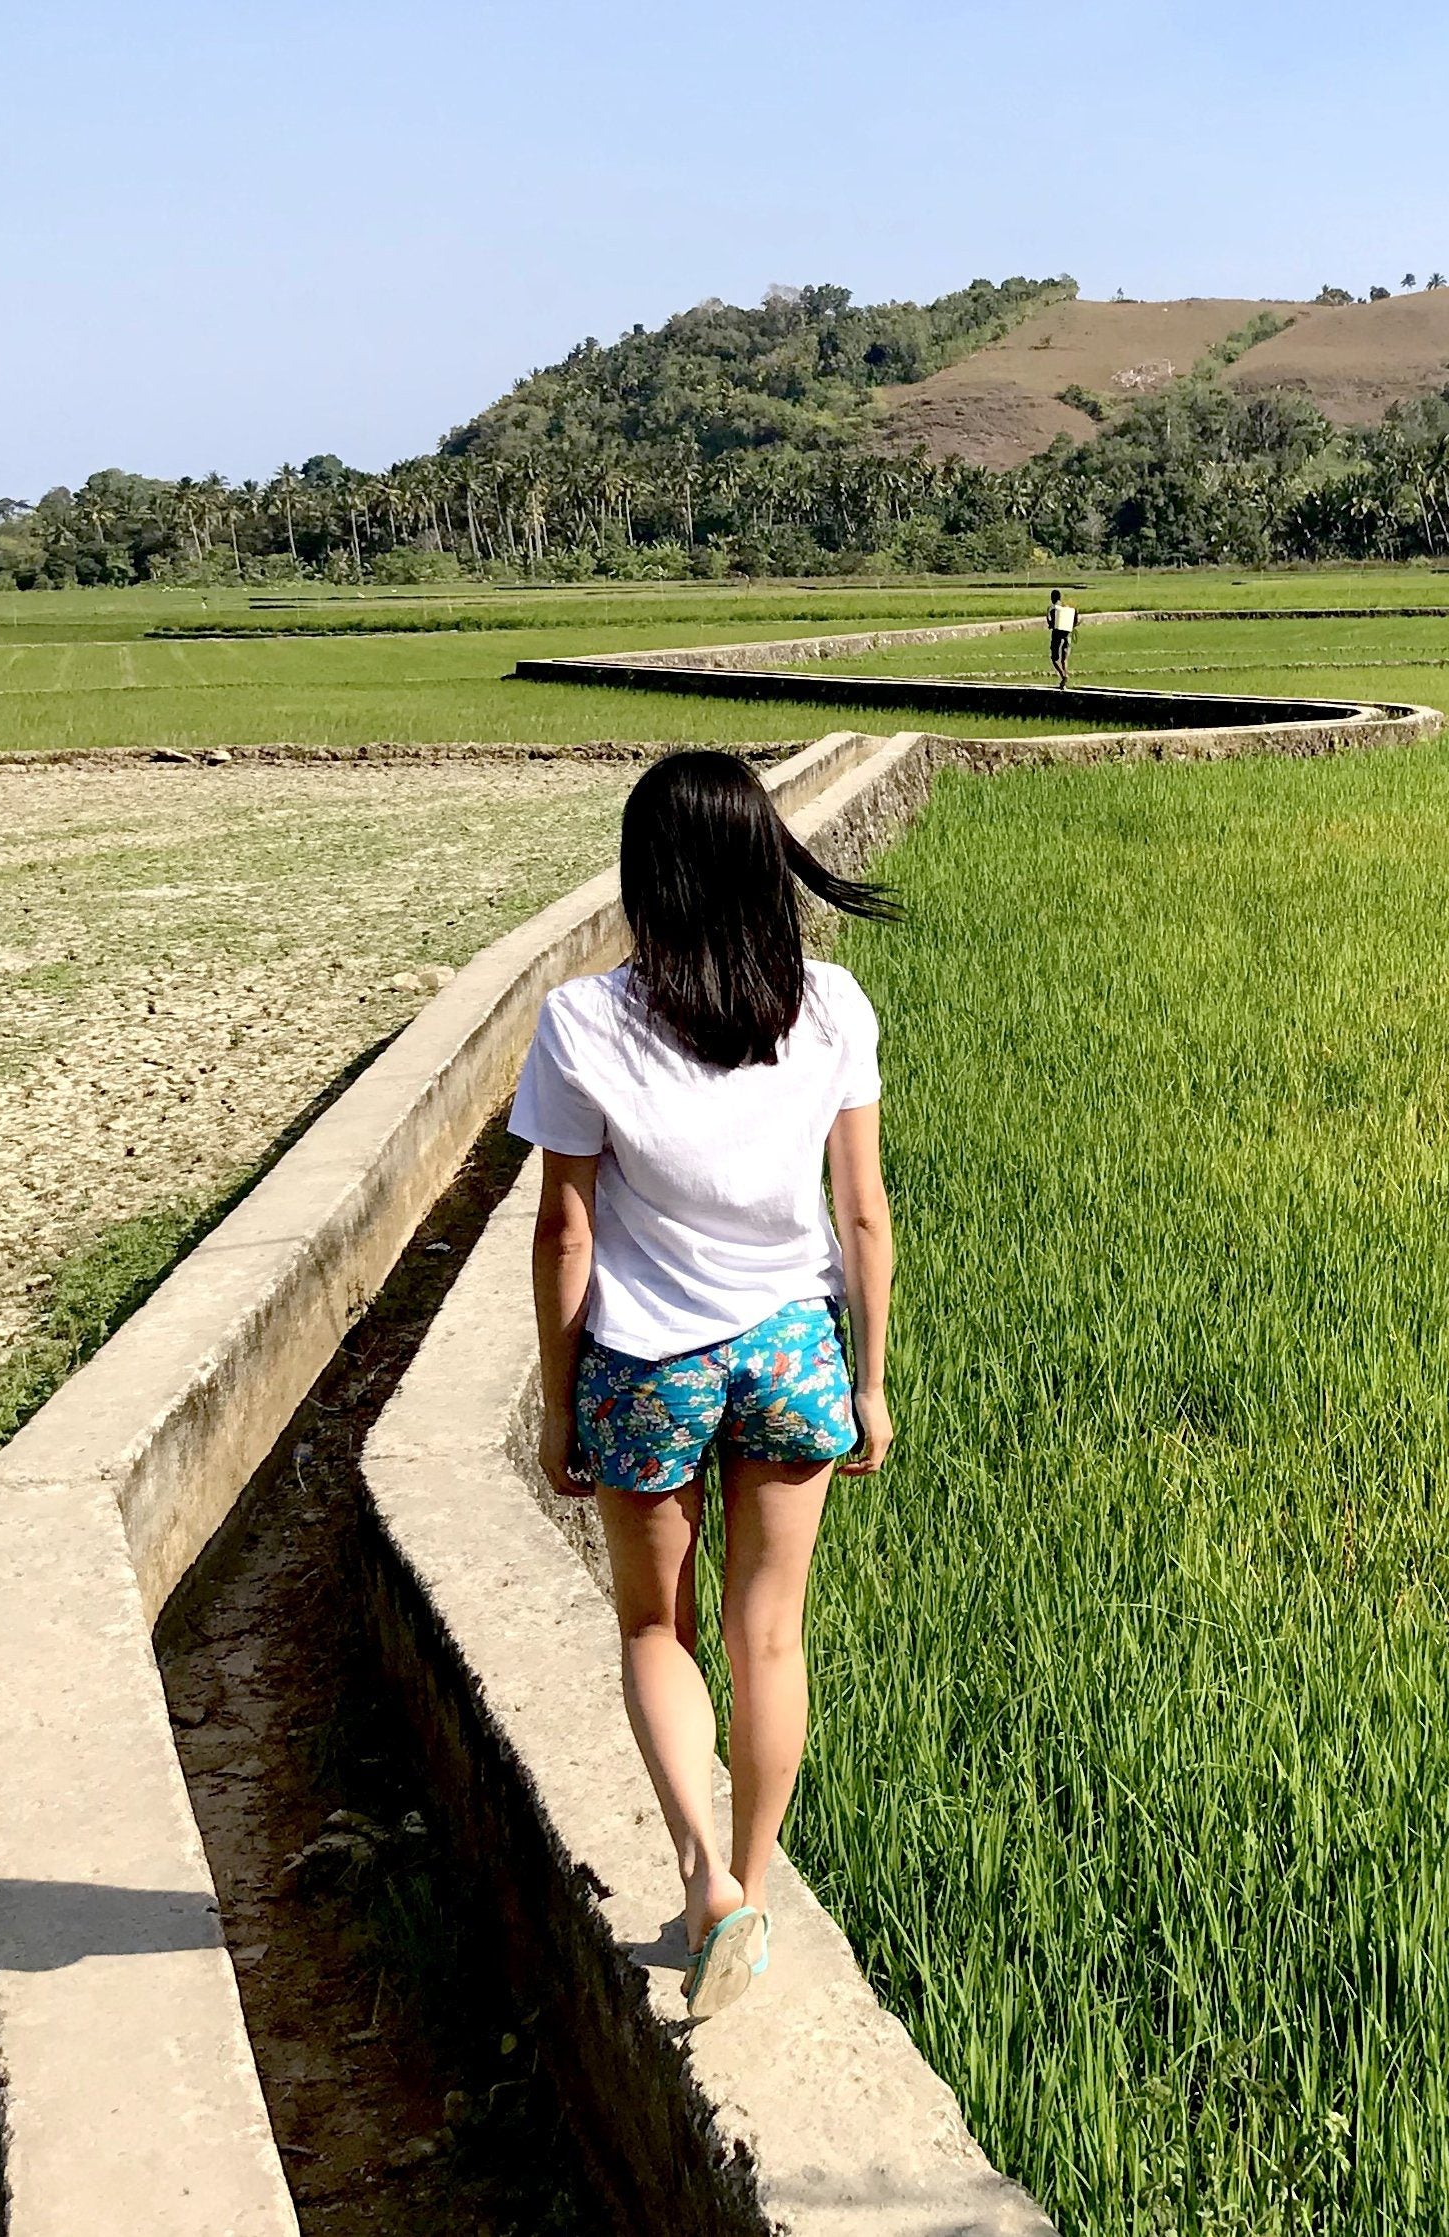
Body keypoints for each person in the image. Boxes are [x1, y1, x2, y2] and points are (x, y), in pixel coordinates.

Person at [509, 750, 898, 2021]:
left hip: (647, 1366)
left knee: (652, 1629)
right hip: (793, 1348)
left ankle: (699, 1884)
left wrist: (560, 1401)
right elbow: (863, 1217)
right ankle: (751, 1877)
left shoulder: (583, 1022)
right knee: (767, 1629)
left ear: (647, 878)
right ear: (761, 864)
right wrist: (872, 1387)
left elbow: (564, 1232)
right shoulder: (832, 1006)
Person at [1048, 587, 1078, 685]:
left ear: (1052, 598)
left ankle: (1063, 675)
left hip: (1056, 634)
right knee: (1064, 659)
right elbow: (1075, 620)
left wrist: (1048, 621)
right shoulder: (1067, 608)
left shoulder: (1053, 609)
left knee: (1054, 658)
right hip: (1067, 634)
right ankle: (1065, 674)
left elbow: (1052, 623)